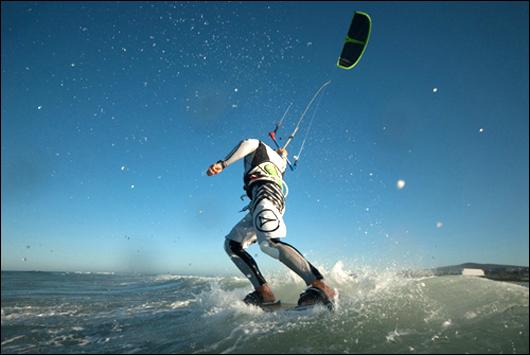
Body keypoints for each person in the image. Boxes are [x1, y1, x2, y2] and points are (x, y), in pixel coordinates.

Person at [206, 138, 336, 309]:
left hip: (266, 195)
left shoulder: (259, 147)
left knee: (269, 243)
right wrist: (281, 156)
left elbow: (249, 142)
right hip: (260, 201)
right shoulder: (280, 163)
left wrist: (223, 163)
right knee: (232, 244)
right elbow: (279, 164)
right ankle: (263, 292)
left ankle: (320, 286)